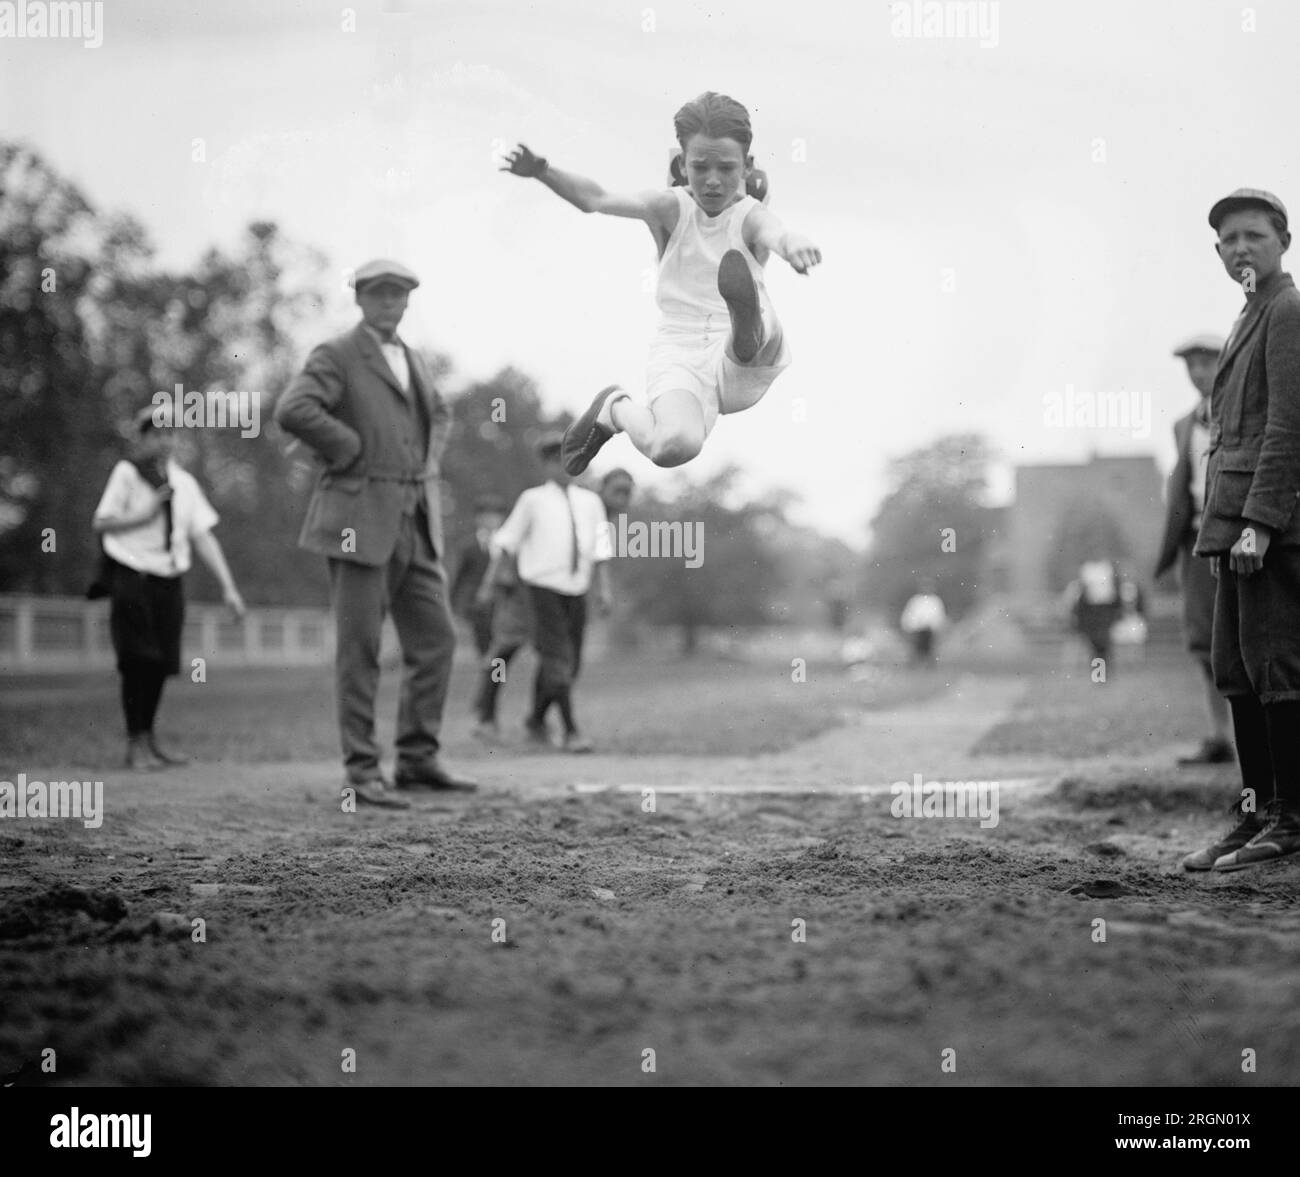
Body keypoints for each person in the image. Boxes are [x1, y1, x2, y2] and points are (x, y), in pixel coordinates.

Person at [501, 91, 822, 475]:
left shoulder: (749, 216)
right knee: (672, 447)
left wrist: (793, 244)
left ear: (747, 166)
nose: (714, 181)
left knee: (757, 327)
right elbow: (597, 199)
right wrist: (542, 170)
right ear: (682, 165)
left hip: (742, 360)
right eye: (701, 167)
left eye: (727, 168)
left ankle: (745, 317)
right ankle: (614, 410)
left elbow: (776, 232)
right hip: (679, 349)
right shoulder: (669, 207)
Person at [274, 258, 476, 808]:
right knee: (360, 646)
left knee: (437, 640)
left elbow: (440, 413)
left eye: (399, 293)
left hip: (415, 518)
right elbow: (294, 409)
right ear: (360, 299)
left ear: (409, 300)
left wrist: (427, 465)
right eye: (378, 293)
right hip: (357, 519)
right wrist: (347, 447)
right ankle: (362, 771)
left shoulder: (412, 357)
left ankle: (416, 759)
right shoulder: (338, 353)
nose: (390, 302)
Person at [1183, 188, 1300, 871]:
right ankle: (1254, 815)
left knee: (1275, 669)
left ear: (1283, 240)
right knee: (1235, 671)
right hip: (1228, 527)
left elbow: (1288, 424)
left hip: (1269, 527)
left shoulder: (1286, 310)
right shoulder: (1247, 314)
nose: (1239, 249)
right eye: (1228, 240)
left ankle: (1290, 819)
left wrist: (1258, 523)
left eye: (1253, 235)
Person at [92, 406, 245, 770]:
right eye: (156, 433)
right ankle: (135, 743)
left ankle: (150, 740)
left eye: (170, 433)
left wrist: (229, 587)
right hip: (133, 575)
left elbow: (202, 536)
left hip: (168, 580)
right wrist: (144, 515)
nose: (165, 440)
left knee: (161, 662)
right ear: (143, 437)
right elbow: (102, 521)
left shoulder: (185, 483)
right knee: (137, 660)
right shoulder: (128, 474)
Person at [476, 435, 612, 752]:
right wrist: (488, 585)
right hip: (541, 590)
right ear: (547, 465)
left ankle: (536, 718)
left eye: (570, 460)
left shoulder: (590, 503)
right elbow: (506, 544)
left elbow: (601, 549)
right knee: (556, 658)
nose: (564, 467)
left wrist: (604, 588)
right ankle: (571, 730)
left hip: (575, 589)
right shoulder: (532, 500)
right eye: (557, 461)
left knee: (571, 663)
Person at [1154, 332, 1234, 766]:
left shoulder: (1243, 412)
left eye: (1207, 363)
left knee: (1248, 644)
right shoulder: (1184, 425)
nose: (1199, 373)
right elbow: (1183, 491)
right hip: (1199, 546)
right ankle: (1219, 736)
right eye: (1192, 366)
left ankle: (1257, 746)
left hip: (1240, 542)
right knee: (1204, 644)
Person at [450, 494, 507, 657]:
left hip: (501, 603)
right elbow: (460, 577)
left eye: (494, 516)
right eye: (486, 516)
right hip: (478, 606)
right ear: (477, 518)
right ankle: (490, 676)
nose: (490, 520)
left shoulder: (507, 544)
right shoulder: (468, 546)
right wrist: (455, 605)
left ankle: (497, 678)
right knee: (484, 645)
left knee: (499, 646)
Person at [899, 582, 946, 666]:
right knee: (916, 648)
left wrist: (936, 625)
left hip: (930, 629)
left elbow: (938, 615)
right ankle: (915, 664)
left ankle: (929, 665)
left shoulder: (935, 600)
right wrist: (909, 625)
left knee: (930, 648)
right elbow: (910, 614)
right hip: (918, 629)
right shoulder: (915, 600)